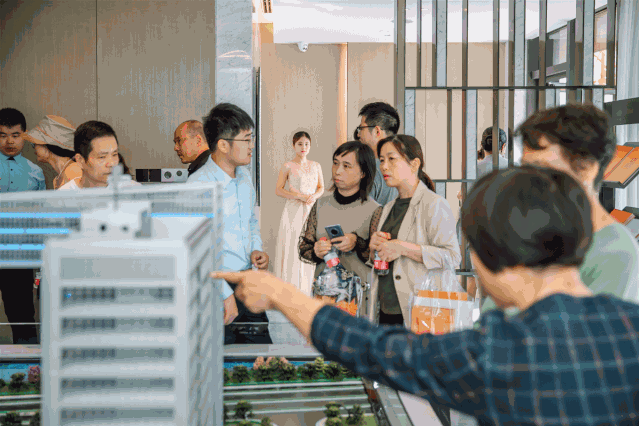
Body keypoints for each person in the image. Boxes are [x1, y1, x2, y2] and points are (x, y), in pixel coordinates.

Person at [214, 166, 639, 425]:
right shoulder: (630, 326)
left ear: (490, 256)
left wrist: (281, 295)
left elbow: (376, 350)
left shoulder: (501, 351)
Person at [482, 104, 639, 314]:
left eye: (542, 168)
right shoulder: (535, 230)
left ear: (586, 168)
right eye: (527, 167)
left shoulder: (615, 254)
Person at [187, 103, 270, 344]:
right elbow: (196, 249)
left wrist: (256, 248)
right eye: (246, 139)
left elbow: (251, 220)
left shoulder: (244, 178)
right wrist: (224, 293)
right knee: (223, 359)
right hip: (215, 289)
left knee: (262, 355)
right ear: (223, 145)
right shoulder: (198, 186)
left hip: (247, 282)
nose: (251, 146)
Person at [367, 135, 461, 325]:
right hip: (385, 309)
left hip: (421, 311)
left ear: (414, 164)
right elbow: (385, 257)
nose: (384, 166)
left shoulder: (434, 204)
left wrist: (403, 248)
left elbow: (452, 257)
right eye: (382, 160)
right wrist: (374, 248)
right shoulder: (388, 207)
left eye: (392, 159)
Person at [298, 141, 379, 299]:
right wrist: (316, 250)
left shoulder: (375, 210)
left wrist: (357, 242)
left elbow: (380, 257)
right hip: (324, 295)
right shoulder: (320, 204)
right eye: (335, 163)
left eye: (346, 166)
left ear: (363, 172)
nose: (338, 171)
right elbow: (304, 248)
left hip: (359, 298)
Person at [0, 107, 44, 344]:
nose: (9, 142)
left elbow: (41, 216)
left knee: (22, 315)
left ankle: (28, 364)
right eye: (3, 135)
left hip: (18, 253)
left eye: (15, 135)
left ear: (24, 135)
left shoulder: (35, 172)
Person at [274, 131, 324, 295]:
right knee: (293, 244)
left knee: (310, 242)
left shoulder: (316, 165)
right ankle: (292, 288)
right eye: (300, 144)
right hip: (294, 210)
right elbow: (278, 190)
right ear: (294, 146)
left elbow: (321, 187)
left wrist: (313, 197)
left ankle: (308, 286)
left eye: (306, 144)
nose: (303, 147)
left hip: (311, 208)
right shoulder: (288, 166)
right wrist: (298, 196)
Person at [58, 121, 140, 190]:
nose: (111, 164)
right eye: (102, 157)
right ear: (80, 160)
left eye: (114, 154)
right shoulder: (64, 197)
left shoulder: (133, 191)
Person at [356, 102, 399, 205]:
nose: (358, 134)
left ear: (376, 131)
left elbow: (359, 212)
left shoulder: (370, 170)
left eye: (361, 128)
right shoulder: (404, 168)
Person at [24, 115, 82, 189]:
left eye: (34, 143)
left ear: (47, 145)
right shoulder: (57, 179)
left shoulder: (74, 170)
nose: (33, 147)